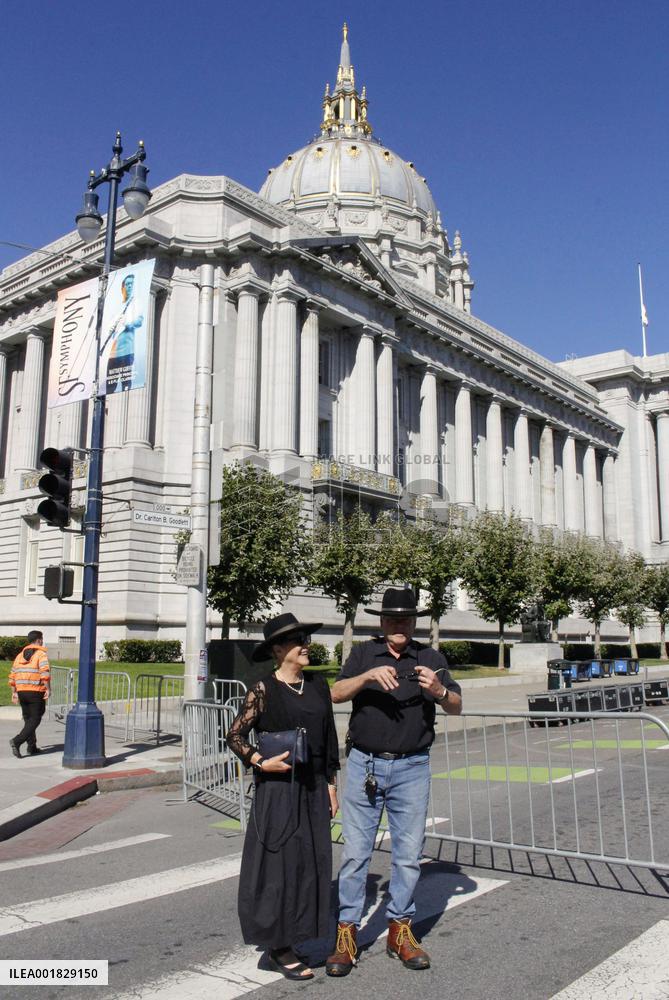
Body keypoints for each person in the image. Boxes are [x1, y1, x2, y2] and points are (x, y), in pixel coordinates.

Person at [326, 587, 462, 976]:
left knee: (407, 854)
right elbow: (335, 693)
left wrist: (438, 691)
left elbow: (456, 704)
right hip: (366, 765)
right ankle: (347, 932)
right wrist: (367, 676)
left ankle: (399, 929)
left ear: (413, 622)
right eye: (391, 619)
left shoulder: (431, 658)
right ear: (382, 622)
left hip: (412, 767)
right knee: (356, 853)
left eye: (405, 619)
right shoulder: (364, 654)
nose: (398, 625)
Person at [226, 613, 340, 980]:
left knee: (311, 863)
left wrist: (331, 784)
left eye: (305, 639)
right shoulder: (263, 689)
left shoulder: (318, 685)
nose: (306, 645)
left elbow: (329, 738)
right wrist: (260, 762)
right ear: (278, 650)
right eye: (297, 641)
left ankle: (301, 935)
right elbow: (235, 736)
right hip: (277, 791)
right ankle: (277, 948)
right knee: (278, 868)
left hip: (311, 787)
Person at [8, 630, 50, 758]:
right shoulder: (41, 654)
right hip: (35, 691)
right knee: (35, 719)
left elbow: (12, 675)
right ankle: (17, 741)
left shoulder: (19, 656)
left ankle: (32, 747)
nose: (42, 641)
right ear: (39, 640)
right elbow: (45, 673)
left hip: (21, 692)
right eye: (41, 639)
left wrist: (14, 692)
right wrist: (48, 689)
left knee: (28, 719)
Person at [100, 273, 144, 394]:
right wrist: (112, 327)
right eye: (127, 284)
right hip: (113, 352)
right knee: (110, 386)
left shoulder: (136, 302)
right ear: (123, 287)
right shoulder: (118, 307)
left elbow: (139, 321)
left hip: (127, 351)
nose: (130, 286)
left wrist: (128, 323)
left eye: (131, 284)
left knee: (126, 386)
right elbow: (109, 327)